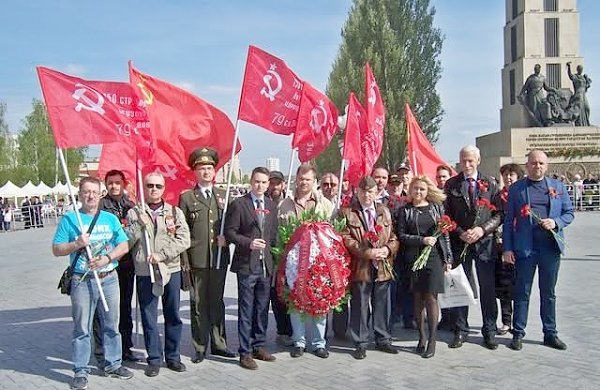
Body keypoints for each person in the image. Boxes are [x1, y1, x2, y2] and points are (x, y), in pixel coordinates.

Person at [52, 177, 134, 390]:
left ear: (100, 195)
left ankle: (113, 364)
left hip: (109, 279)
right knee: (82, 328)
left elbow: (123, 245)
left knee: (111, 324)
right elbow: (56, 249)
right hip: (82, 280)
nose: (90, 196)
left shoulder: (109, 218)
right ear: (80, 194)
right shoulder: (70, 219)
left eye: (93, 192)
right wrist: (76, 244)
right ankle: (80, 370)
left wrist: (107, 259)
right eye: (86, 192)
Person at [503, 150, 574, 351]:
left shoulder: (557, 187)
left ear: (547, 165)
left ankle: (550, 333)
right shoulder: (517, 189)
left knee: (548, 293)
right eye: (533, 163)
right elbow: (509, 221)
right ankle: (518, 333)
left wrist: (556, 222)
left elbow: (569, 213)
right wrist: (507, 248)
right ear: (527, 166)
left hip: (550, 249)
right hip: (525, 249)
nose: (537, 166)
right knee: (522, 292)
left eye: (541, 163)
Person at [125, 172, 190, 376]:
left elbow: (184, 239)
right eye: (150, 185)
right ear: (144, 188)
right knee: (148, 316)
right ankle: (154, 358)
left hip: (170, 269)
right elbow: (125, 242)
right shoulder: (134, 213)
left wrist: (162, 255)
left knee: (173, 314)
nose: (153, 189)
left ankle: (173, 357)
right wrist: (138, 225)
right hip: (145, 271)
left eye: (158, 186)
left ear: (164, 189)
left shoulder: (174, 212)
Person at [179, 148, 237, 363]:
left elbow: (233, 227)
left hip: (219, 258)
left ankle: (220, 344)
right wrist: (185, 261)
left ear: (215, 171)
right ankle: (200, 346)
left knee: (217, 303)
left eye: (210, 168)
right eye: (202, 168)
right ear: (195, 172)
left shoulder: (224, 195)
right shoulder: (187, 198)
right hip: (197, 260)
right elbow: (181, 232)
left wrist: (228, 240)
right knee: (198, 304)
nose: (206, 171)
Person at [444, 145, 501, 350]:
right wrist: (460, 232)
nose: (466, 165)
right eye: (463, 160)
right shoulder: (451, 184)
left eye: (470, 161)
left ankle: (489, 330)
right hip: (461, 244)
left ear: (478, 160)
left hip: (484, 244)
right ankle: (460, 330)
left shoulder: (491, 183)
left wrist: (482, 230)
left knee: (487, 289)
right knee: (461, 287)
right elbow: (446, 215)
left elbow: (499, 214)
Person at [339, 176, 399, 360]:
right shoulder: (347, 212)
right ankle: (361, 342)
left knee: (382, 304)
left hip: (382, 266)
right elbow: (345, 238)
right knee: (360, 304)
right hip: (361, 266)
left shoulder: (384, 211)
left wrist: (386, 249)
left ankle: (383, 339)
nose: (367, 195)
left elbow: (394, 237)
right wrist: (366, 253)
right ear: (357, 192)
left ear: (377, 193)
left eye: (371, 191)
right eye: (363, 191)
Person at [225, 167, 278, 370]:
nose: (260, 186)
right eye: (257, 181)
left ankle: (259, 345)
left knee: (262, 308)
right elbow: (230, 232)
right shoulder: (239, 204)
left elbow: (273, 235)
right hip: (247, 265)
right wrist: (248, 243)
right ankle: (245, 352)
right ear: (251, 182)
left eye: (264, 183)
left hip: (265, 266)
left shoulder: (272, 205)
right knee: (246, 309)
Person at [279, 164, 334, 357]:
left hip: (318, 262)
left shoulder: (325, 205)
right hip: (293, 263)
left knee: (320, 299)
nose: (304, 182)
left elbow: (332, 234)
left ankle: (319, 342)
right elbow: (279, 234)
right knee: (296, 302)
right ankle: (299, 341)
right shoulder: (284, 204)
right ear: (296, 179)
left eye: (308, 179)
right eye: (301, 179)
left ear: (314, 182)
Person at [397, 176, 453, 358]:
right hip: (414, 258)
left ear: (428, 190)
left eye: (422, 189)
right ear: (410, 191)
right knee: (418, 299)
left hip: (434, 258)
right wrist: (421, 240)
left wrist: (448, 257)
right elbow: (401, 236)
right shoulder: (405, 211)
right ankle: (421, 336)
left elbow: (444, 235)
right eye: (415, 189)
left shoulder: (436, 208)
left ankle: (432, 340)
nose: (418, 192)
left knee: (431, 297)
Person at [93, 170, 140, 364]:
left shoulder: (131, 207)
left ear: (124, 184)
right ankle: (101, 350)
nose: (114, 186)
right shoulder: (99, 207)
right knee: (102, 308)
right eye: (110, 183)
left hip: (126, 265)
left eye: (117, 182)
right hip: (106, 265)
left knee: (124, 307)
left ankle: (125, 347)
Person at [492, 163, 524, 336]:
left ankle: (519, 322)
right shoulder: (497, 197)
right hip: (500, 246)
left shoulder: (522, 195)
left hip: (519, 246)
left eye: (512, 174)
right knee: (503, 284)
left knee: (518, 285)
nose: (508, 177)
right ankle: (506, 321)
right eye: (505, 174)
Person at [265, 170, 293, 347]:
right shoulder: (262, 202)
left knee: (283, 297)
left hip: (285, 257)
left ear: (283, 184)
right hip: (266, 256)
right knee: (269, 296)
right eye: (272, 183)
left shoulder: (288, 204)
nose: (274, 186)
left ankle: (286, 331)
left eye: (278, 183)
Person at [566, 62, 592, 126]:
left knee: (587, 108)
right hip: (578, 94)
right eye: (579, 69)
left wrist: (588, 81)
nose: (581, 70)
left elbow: (587, 85)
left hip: (583, 95)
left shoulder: (583, 77)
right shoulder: (575, 76)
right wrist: (569, 67)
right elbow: (570, 75)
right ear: (577, 70)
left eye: (581, 69)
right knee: (578, 108)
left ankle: (586, 122)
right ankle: (574, 120)